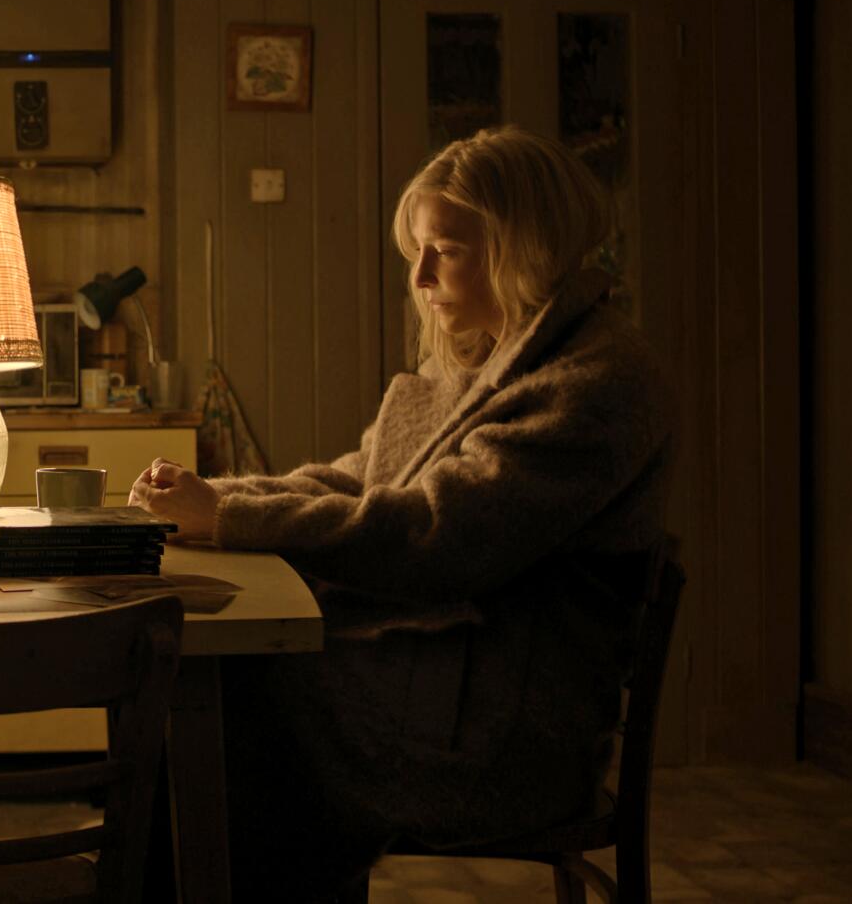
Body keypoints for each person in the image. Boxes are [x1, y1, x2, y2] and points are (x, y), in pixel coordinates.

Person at [130, 125, 675, 897]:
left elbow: (432, 535)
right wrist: (221, 499)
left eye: (445, 250)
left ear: (527, 246)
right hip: (434, 682)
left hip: (497, 738)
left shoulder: (597, 382)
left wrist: (226, 519)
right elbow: (360, 482)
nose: (420, 275)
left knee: (228, 705)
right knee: (211, 699)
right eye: (418, 250)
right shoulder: (491, 354)